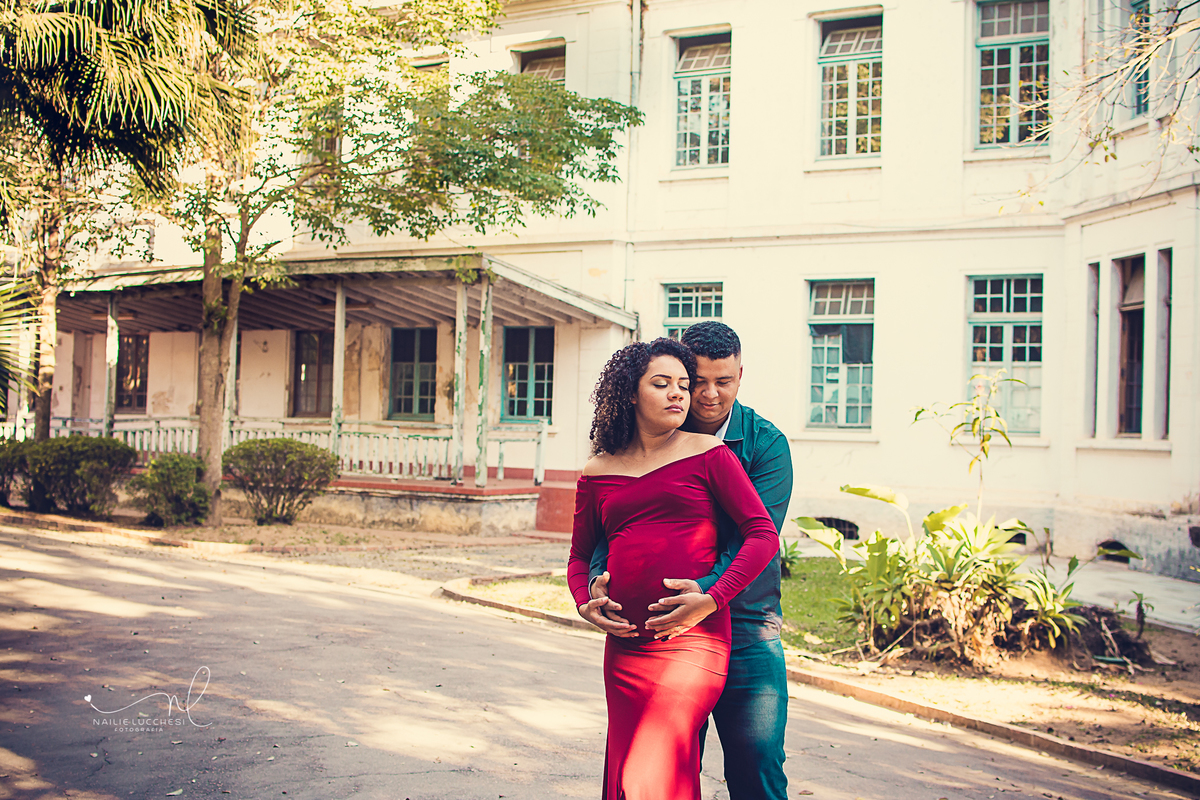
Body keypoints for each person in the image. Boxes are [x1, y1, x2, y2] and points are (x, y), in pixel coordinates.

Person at [582, 322, 793, 800]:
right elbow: (613, 524)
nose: (710, 395)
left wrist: (705, 595)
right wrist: (599, 579)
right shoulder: (642, 442)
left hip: (746, 626)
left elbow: (754, 537)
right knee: (666, 769)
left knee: (758, 768)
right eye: (698, 381)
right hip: (656, 635)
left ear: (741, 375)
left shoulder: (764, 444)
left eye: (727, 381)